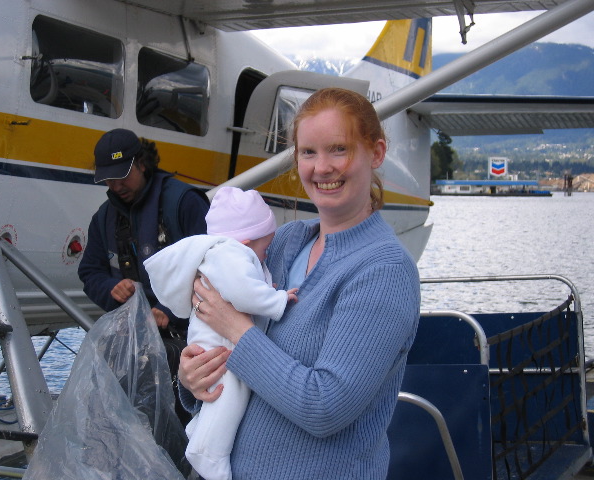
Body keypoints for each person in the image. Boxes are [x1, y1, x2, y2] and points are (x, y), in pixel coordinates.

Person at [178, 88, 421, 479]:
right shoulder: (284, 242)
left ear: (376, 153)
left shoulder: (384, 271)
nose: (321, 167)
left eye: (338, 149)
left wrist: (236, 329)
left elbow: (324, 408)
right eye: (308, 152)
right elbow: (232, 352)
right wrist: (194, 378)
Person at [143, 186, 298, 480]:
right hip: (220, 341)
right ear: (246, 241)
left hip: (212, 337)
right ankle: (208, 452)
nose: (266, 254)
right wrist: (276, 300)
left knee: (220, 395)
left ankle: (201, 432)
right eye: (265, 247)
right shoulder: (231, 254)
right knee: (230, 394)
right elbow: (242, 292)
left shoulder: (219, 253)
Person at [78, 128, 210, 423]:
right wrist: (111, 288)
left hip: (190, 342)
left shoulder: (185, 202)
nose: (116, 185)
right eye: (108, 179)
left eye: (123, 175)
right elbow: (90, 272)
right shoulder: (104, 218)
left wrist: (168, 311)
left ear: (142, 163)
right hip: (136, 345)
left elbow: (216, 271)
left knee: (183, 426)